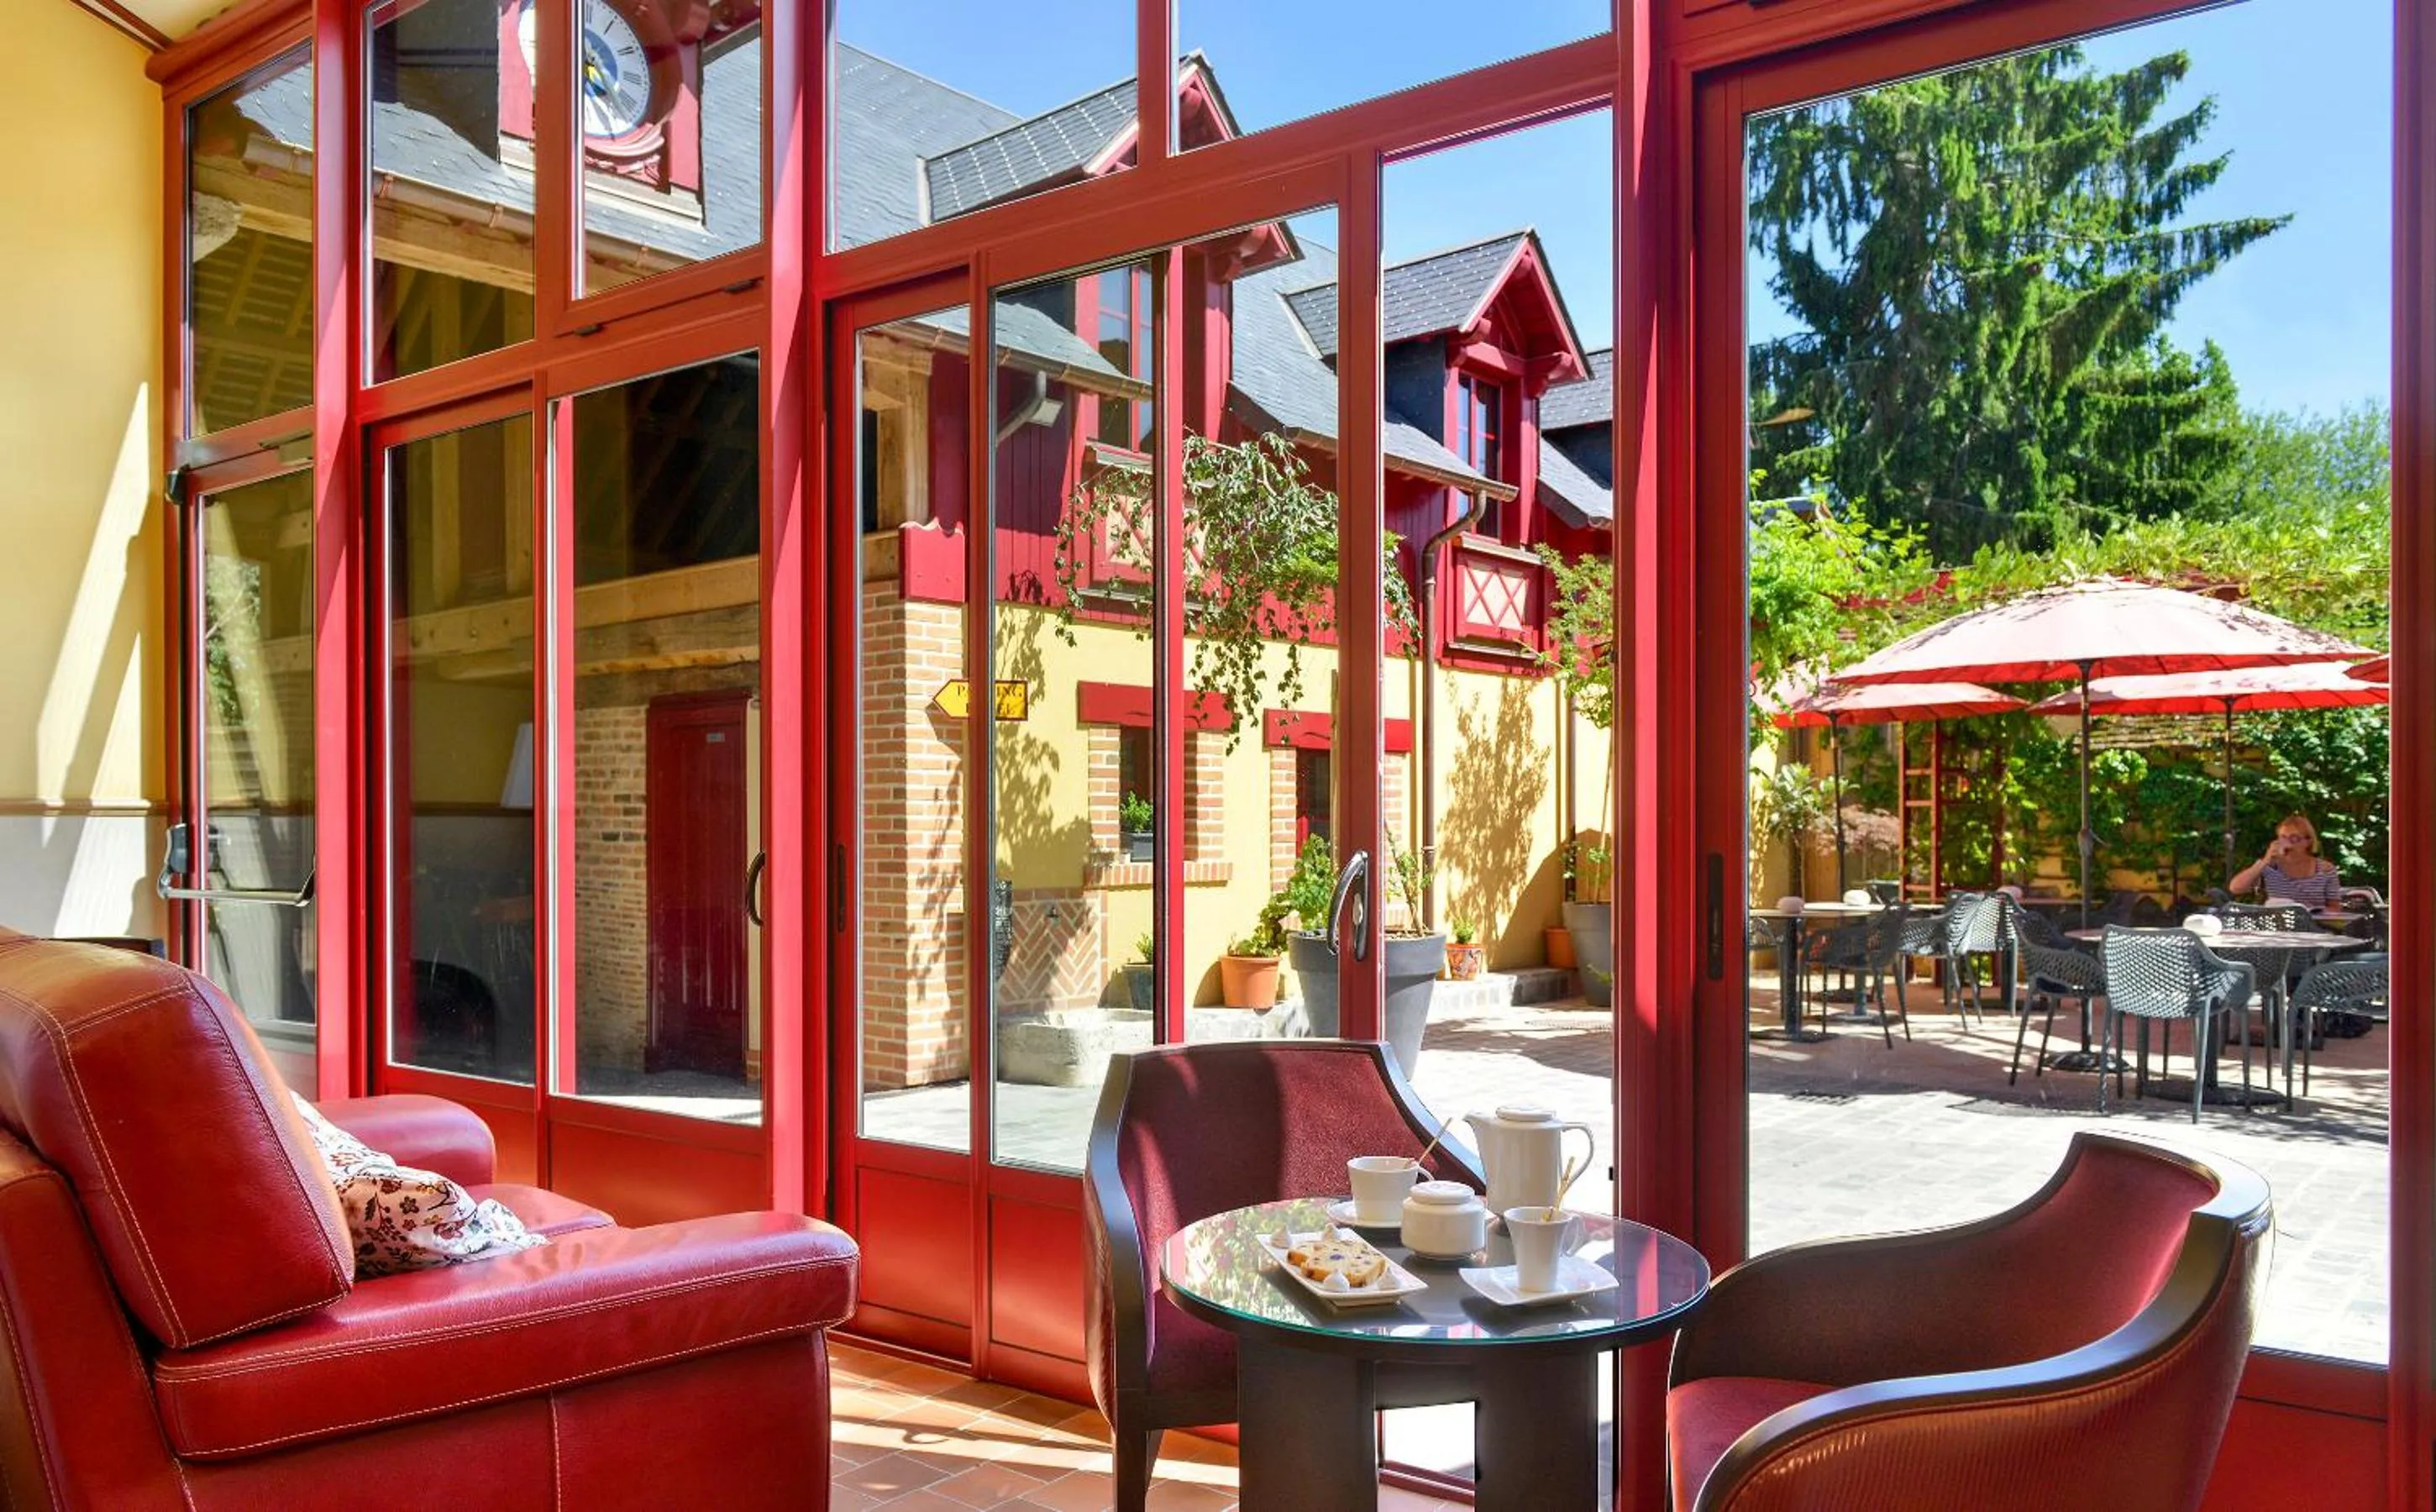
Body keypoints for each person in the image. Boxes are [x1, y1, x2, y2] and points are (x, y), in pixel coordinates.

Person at [2229, 814, 2343, 907]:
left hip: (2314, 927)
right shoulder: (2271, 866)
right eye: (2283, 837)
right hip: (2277, 925)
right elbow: (2236, 888)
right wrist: (2264, 861)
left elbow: (2335, 908)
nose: (2287, 843)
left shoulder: (2325, 869)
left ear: (2308, 841)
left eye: (2294, 838)